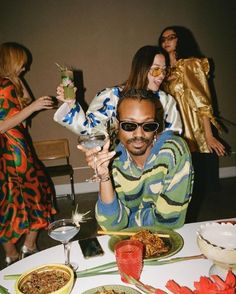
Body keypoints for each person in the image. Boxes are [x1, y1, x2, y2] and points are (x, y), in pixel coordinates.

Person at [78, 89, 194, 230]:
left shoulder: (173, 152)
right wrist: (104, 177)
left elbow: (168, 221)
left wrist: (129, 220)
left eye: (148, 125)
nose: (139, 134)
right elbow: (111, 225)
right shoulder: (113, 158)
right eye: (129, 125)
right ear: (116, 125)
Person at [158, 26, 226, 221]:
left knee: (189, 178)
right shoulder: (163, 70)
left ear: (181, 40)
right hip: (170, 127)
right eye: (163, 39)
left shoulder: (191, 64)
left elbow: (202, 100)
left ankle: (186, 221)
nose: (166, 41)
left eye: (172, 37)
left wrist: (209, 135)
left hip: (190, 129)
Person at [0, 42, 56, 266]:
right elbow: (2, 125)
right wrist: (32, 108)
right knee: (34, 197)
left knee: (10, 202)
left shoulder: (8, 82)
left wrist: (16, 76)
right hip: (12, 152)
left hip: (17, 149)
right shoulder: (3, 85)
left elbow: (28, 98)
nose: (25, 67)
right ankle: (25, 247)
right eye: (21, 63)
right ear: (12, 60)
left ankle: (14, 252)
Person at [53, 45, 182, 139]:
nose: (161, 76)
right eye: (156, 70)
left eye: (164, 70)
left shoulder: (166, 101)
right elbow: (90, 131)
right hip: (119, 166)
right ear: (141, 69)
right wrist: (71, 103)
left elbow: (174, 137)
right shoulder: (113, 96)